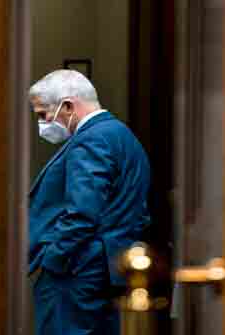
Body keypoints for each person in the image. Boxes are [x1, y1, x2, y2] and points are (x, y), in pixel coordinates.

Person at [28, 70, 151, 335]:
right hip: (109, 269)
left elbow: (82, 214)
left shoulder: (91, 140)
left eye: (43, 114)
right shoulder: (121, 135)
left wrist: (53, 260)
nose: (43, 123)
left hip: (76, 273)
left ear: (68, 106)